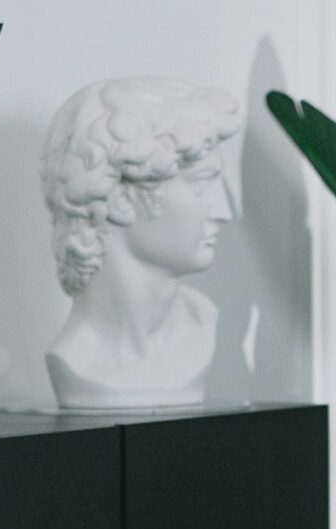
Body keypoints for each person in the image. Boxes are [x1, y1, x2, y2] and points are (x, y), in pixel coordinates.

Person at [41, 76, 242, 411]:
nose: (222, 212)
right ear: (120, 197)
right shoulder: (73, 359)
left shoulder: (201, 324)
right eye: (200, 185)